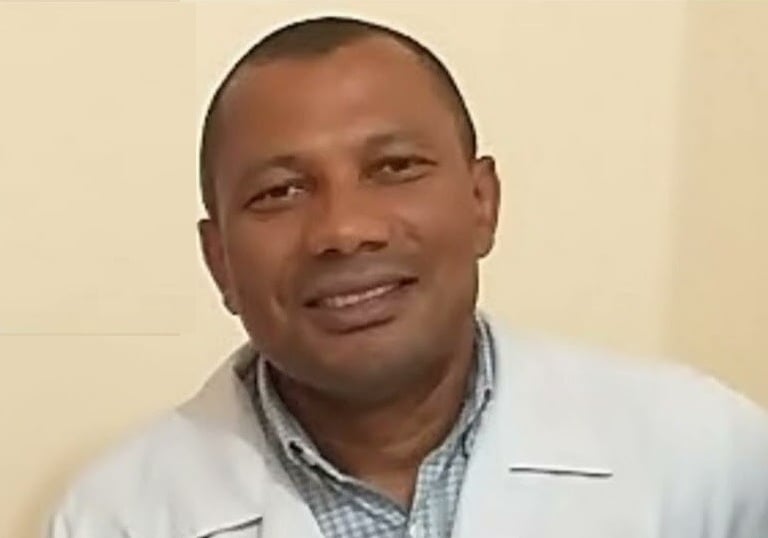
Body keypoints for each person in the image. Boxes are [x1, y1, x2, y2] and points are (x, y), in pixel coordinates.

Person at [48, 16, 768, 538]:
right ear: (220, 262)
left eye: (394, 168)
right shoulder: (116, 517)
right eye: (280, 192)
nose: (344, 230)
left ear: (482, 203)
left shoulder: (707, 459)